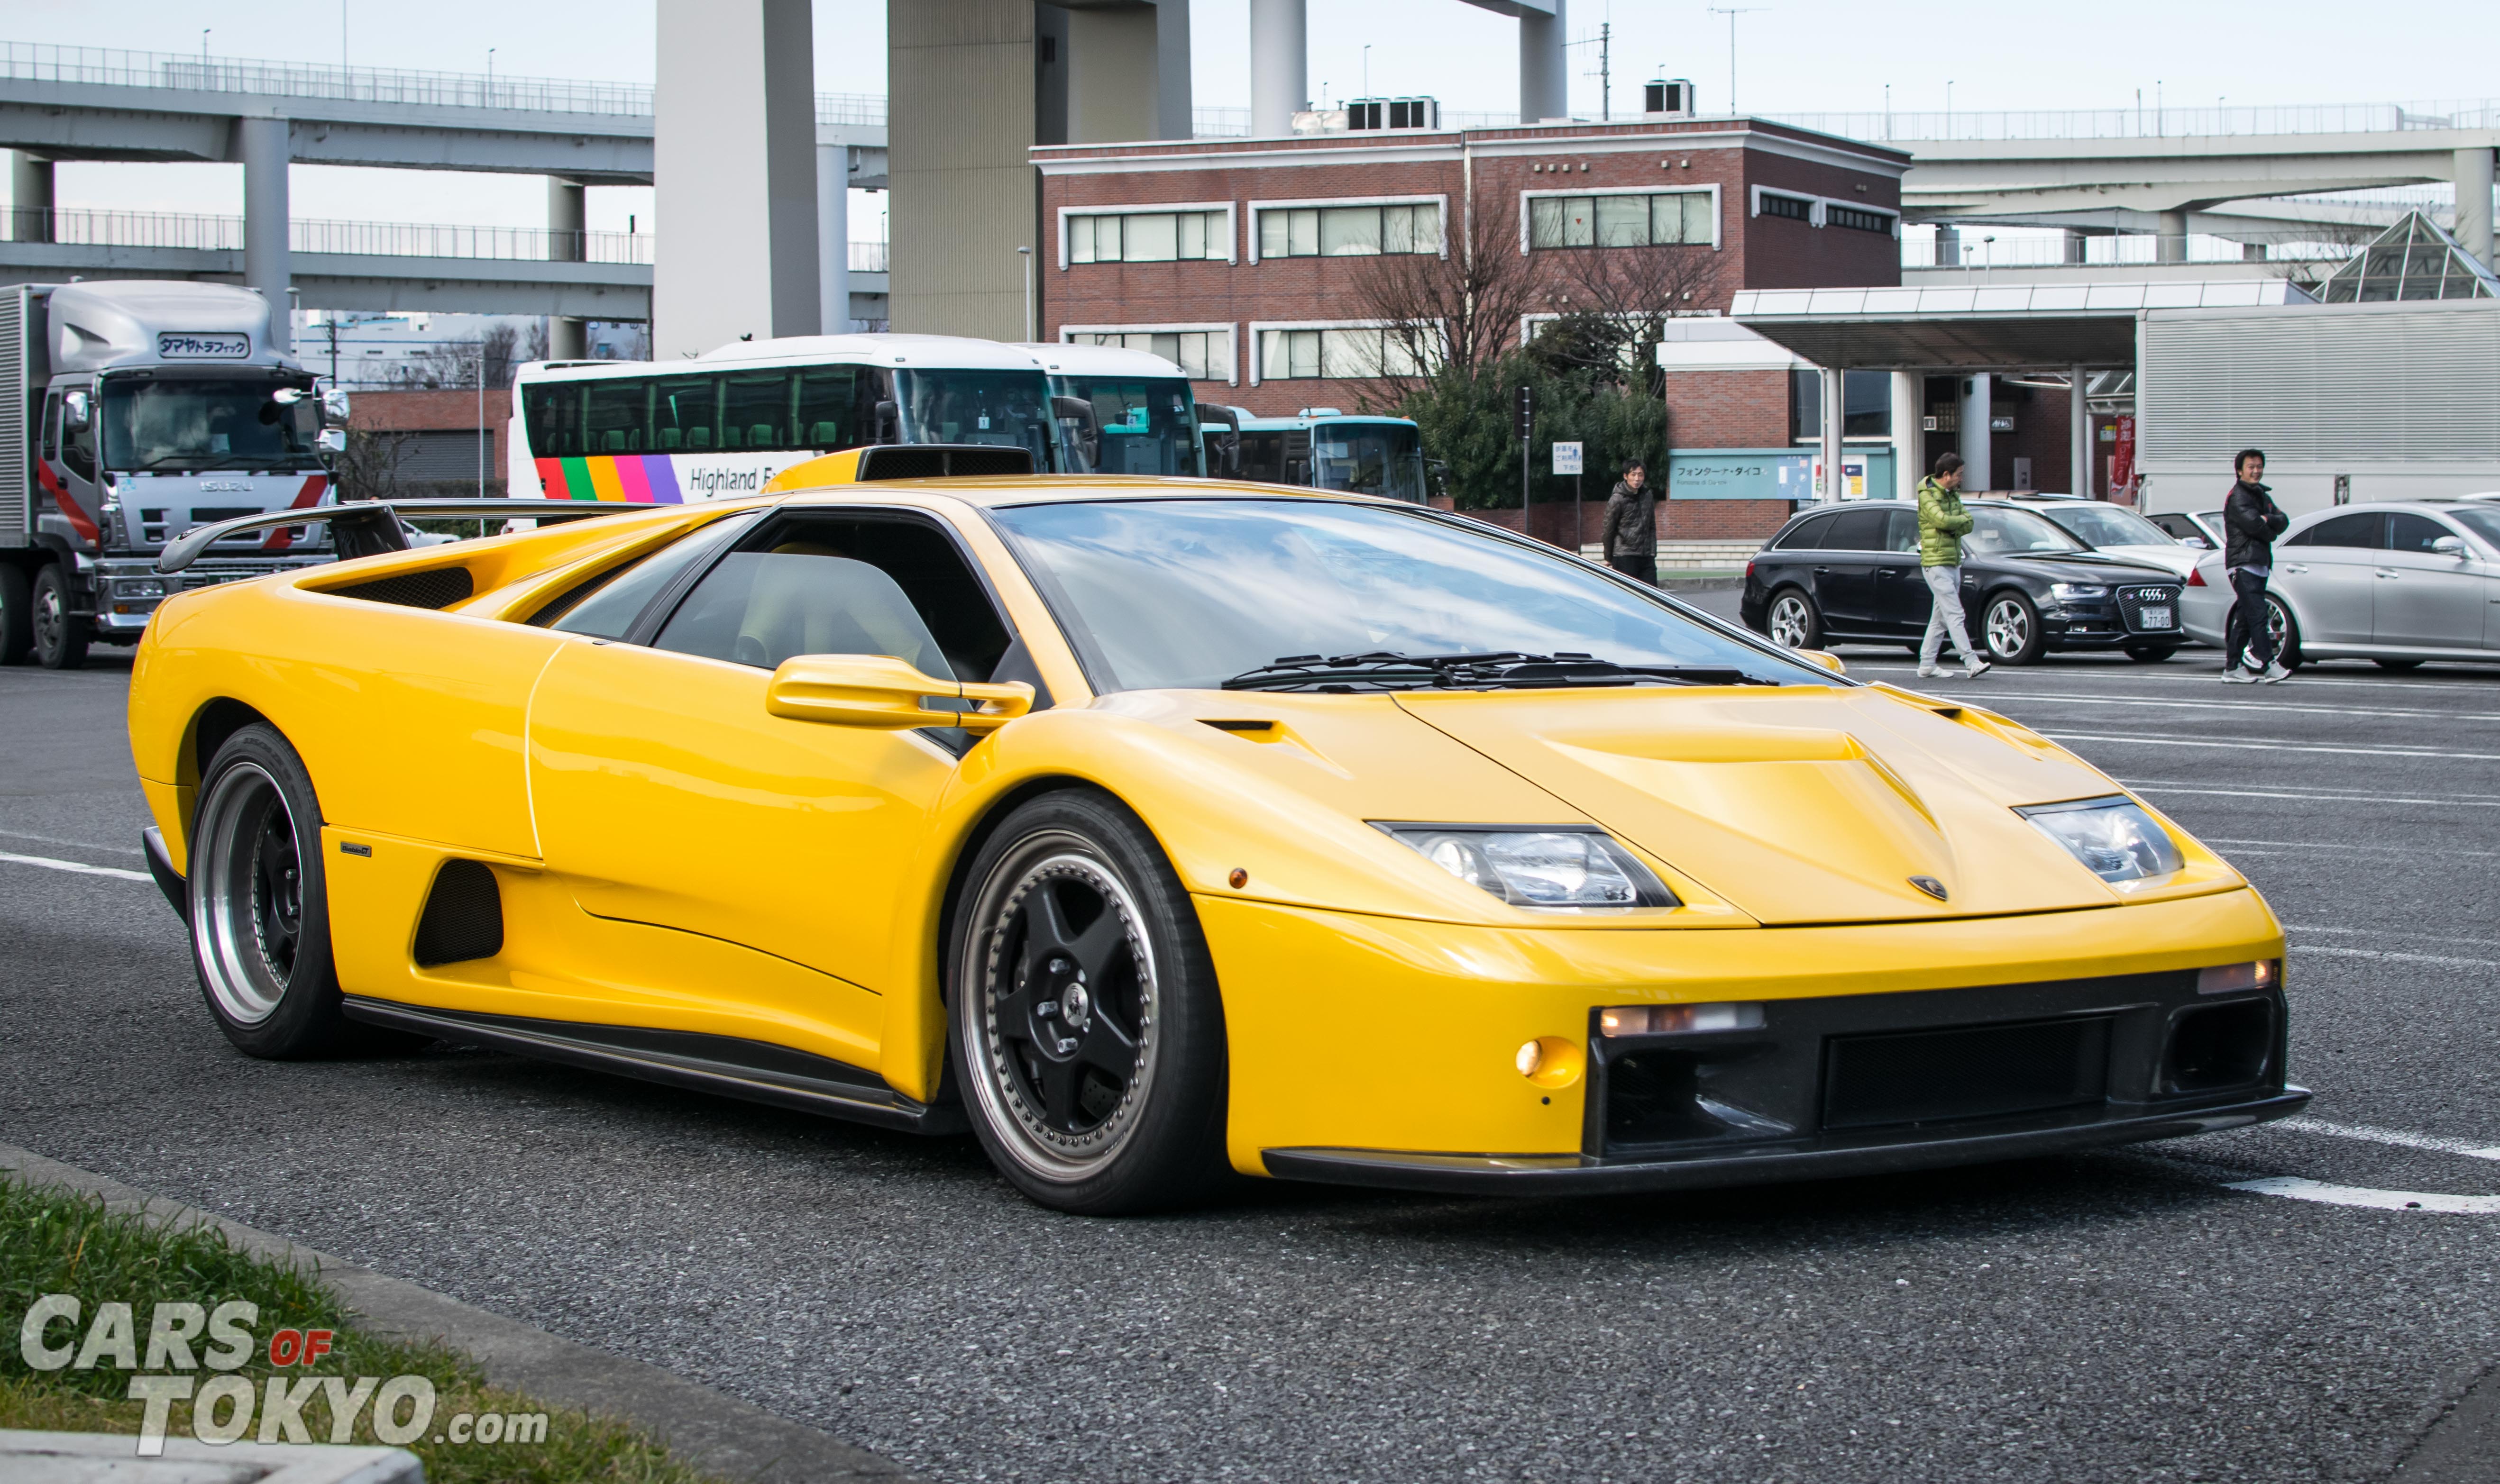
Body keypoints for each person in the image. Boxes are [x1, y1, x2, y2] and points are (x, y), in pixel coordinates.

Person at [1915, 451, 1990, 679]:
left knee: (1940, 618)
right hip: (1936, 563)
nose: (1961, 478)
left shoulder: (1953, 495)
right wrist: (1954, 524)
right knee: (1955, 614)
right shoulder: (1927, 495)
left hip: (1953, 561)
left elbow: (1968, 522)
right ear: (1946, 475)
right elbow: (1942, 520)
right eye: (1959, 474)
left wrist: (1952, 525)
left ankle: (1927, 664)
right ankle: (1971, 661)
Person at [2221, 448, 2291, 684]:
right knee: (2258, 614)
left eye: (2259, 466)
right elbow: (2255, 527)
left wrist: (2268, 520)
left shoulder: (2261, 495)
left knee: (2246, 618)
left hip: (2258, 563)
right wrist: (2268, 525)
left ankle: (2232, 668)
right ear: (2240, 471)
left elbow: (2284, 521)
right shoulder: (2238, 496)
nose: (2256, 471)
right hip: (2243, 563)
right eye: (2251, 467)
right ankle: (2270, 665)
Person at [1602, 459, 1657, 585]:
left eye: (1640, 475)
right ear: (1625, 476)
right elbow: (1608, 531)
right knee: (1628, 597)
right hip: (1625, 556)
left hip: (1646, 556)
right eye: (1633, 475)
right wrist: (1609, 557)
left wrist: (1653, 552)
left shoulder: (1647, 496)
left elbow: (1652, 526)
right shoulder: (1617, 499)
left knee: (1653, 596)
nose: (1637, 479)